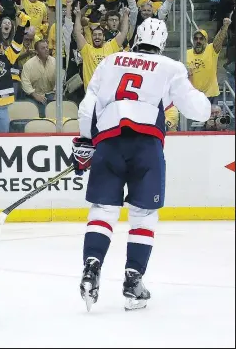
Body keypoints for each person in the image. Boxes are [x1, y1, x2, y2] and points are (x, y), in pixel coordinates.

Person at [73, 18, 211, 312]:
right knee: (144, 214)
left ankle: (91, 266)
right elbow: (198, 110)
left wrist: (86, 139)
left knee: (103, 211)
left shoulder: (110, 60)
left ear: (136, 38)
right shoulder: (170, 67)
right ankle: (133, 281)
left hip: (109, 142)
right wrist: (200, 97)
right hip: (146, 146)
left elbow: (88, 106)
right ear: (162, 42)